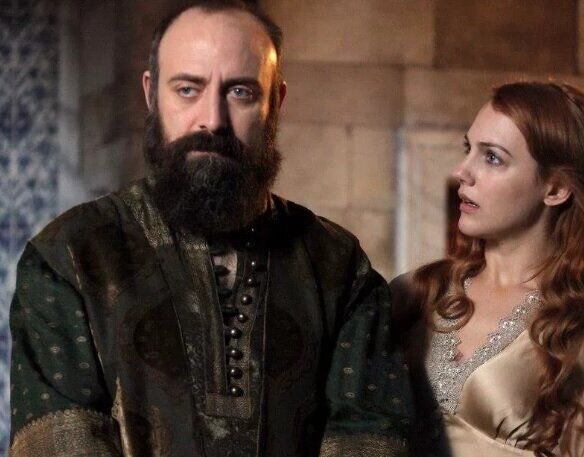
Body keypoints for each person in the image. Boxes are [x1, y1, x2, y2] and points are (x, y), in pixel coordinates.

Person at [8, 1, 412, 455]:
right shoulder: (68, 258)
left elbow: (369, 441)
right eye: (187, 89)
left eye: (240, 92)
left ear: (275, 103)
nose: (213, 120)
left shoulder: (340, 268)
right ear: (151, 94)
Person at [391, 81, 584, 456]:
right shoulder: (415, 292)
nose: (463, 171)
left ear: (556, 189)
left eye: (492, 158)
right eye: (468, 149)